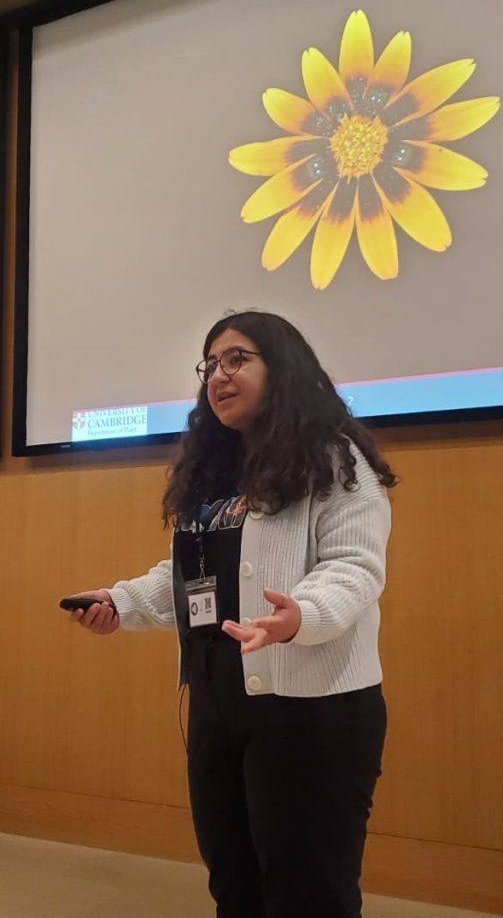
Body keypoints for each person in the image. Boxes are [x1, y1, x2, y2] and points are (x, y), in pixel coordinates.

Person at [66, 310, 397, 918]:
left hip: (312, 712)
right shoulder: (217, 476)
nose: (218, 375)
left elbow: (355, 568)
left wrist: (302, 614)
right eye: (210, 364)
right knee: (234, 884)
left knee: (307, 893)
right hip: (219, 704)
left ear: (284, 367)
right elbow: (190, 580)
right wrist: (121, 603)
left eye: (237, 359)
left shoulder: (335, 460)